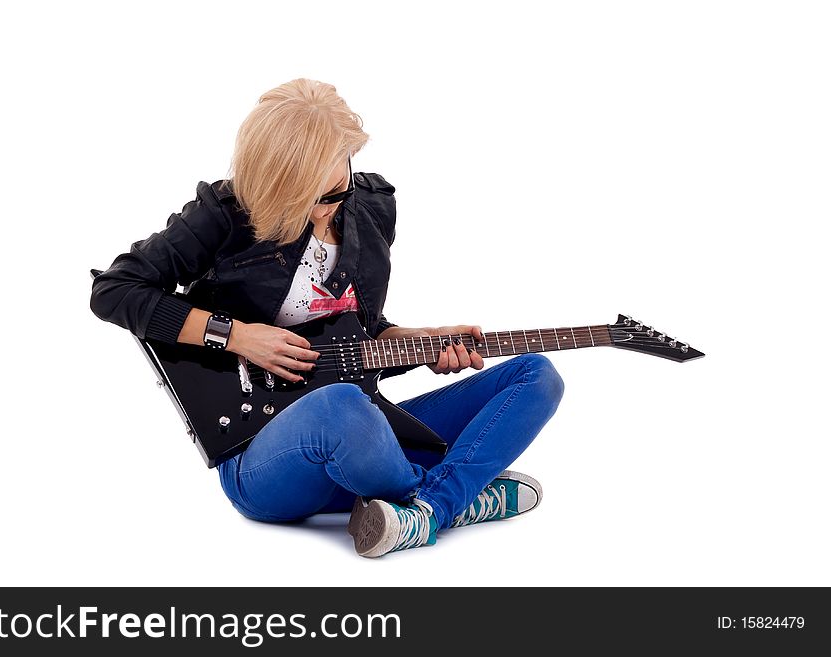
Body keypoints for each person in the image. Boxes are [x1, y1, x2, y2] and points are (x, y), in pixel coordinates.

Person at [90, 78, 564, 558]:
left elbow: (359, 335)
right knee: (342, 407)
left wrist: (422, 342)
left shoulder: (373, 209)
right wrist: (236, 336)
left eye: (334, 190)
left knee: (537, 375)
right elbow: (114, 291)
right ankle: (458, 499)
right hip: (265, 457)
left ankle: (428, 510)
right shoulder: (224, 214)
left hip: (366, 443)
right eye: (302, 197)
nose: (322, 210)